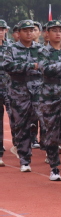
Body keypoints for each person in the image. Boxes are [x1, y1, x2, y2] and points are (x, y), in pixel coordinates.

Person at [3, 20, 43, 172]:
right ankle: (24, 159)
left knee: (45, 122)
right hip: (18, 92)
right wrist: (32, 66)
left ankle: (51, 155)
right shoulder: (11, 49)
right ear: (19, 33)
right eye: (25, 30)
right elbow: (8, 66)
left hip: (38, 90)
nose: (29, 33)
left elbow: (47, 65)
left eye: (31, 30)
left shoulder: (40, 49)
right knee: (21, 125)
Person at [37, 20, 61, 181]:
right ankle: (54, 167)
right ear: (47, 33)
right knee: (51, 132)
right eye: (54, 30)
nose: (58, 33)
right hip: (49, 96)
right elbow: (47, 70)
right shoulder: (43, 51)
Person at [0, 19, 9, 167]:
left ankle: (21, 146)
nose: (0, 32)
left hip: (10, 88)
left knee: (16, 119)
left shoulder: (11, 48)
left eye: (2, 29)